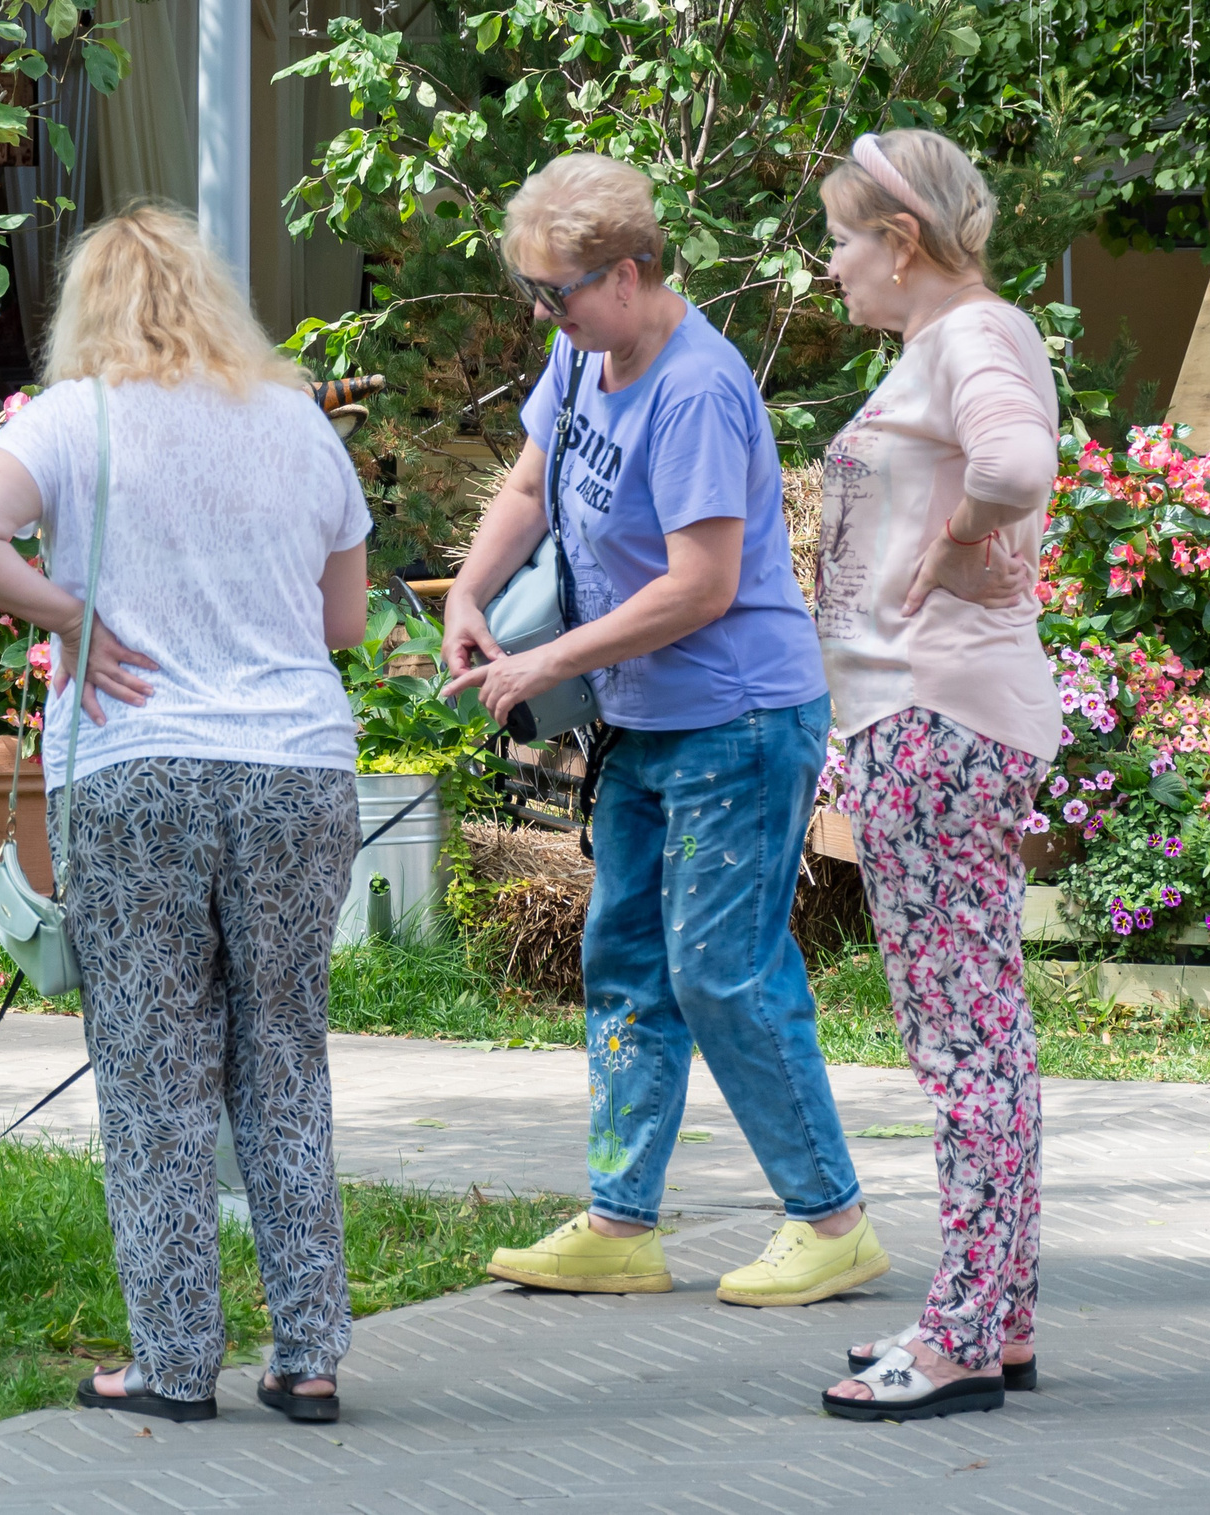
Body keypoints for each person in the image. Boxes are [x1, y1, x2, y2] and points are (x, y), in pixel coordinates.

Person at [0, 204, 370, 1426]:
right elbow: (341, 627)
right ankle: (310, 1354)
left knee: (154, 1072)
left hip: (139, 773)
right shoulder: (296, 422)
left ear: (87, 310)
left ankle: (174, 1362)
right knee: (283, 1057)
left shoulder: (74, 419)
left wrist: (71, 615)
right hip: (295, 770)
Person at [442, 154, 884, 1307]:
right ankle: (620, 1222)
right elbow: (532, 489)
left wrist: (546, 659)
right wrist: (468, 595)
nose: (545, 312)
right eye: (535, 292)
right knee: (626, 960)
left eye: (560, 292)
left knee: (720, 970)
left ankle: (831, 1219)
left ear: (629, 272)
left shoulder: (695, 386)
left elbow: (701, 585)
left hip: (736, 720)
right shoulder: (585, 354)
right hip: (645, 720)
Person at [812, 130, 1056, 1423]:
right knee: (982, 1028)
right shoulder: (965, 339)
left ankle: (962, 1330)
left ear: (901, 240)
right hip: (937, 716)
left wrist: (957, 542)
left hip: (934, 718)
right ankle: (996, 1313)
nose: (832, 263)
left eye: (844, 237)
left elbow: (1016, 468)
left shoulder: (969, 335)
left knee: (962, 1038)